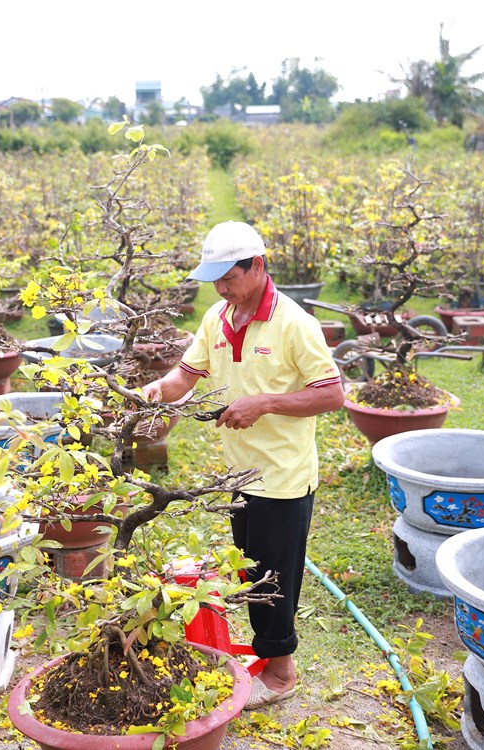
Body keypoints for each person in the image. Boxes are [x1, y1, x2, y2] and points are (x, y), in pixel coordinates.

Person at [142, 220, 345, 710]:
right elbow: (185, 375)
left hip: (283, 476)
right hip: (238, 475)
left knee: (274, 579)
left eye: (228, 276)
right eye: (213, 278)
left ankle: (281, 673)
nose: (220, 287)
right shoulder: (218, 315)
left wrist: (265, 403)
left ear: (257, 265)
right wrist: (153, 395)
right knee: (251, 570)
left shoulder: (294, 323)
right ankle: (267, 657)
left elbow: (333, 394)